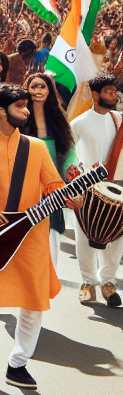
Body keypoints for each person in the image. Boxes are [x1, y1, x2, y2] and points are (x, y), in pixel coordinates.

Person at [0, 85, 78, 388]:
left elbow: (52, 185)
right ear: (1, 112)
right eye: (20, 106)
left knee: (33, 308)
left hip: (32, 236)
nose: (26, 110)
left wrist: (69, 196)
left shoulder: (36, 148)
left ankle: (17, 363)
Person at [69, 74, 123, 307]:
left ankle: (108, 282)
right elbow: (69, 157)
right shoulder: (78, 123)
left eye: (115, 92)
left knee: (116, 239)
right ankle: (87, 283)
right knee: (84, 236)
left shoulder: (119, 120)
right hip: (87, 188)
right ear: (95, 94)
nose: (114, 95)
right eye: (109, 91)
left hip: (118, 186)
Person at [24, 71, 77, 269]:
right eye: (34, 86)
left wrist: (70, 168)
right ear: (27, 90)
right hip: (25, 186)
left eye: (42, 86)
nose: (38, 90)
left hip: (51, 188)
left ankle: (47, 276)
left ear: (49, 91)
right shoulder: (19, 118)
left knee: (52, 235)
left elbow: (68, 152)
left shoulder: (58, 119)